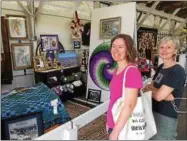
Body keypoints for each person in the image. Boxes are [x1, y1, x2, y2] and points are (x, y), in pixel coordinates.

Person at [143, 36, 186, 140]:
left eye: (169, 47)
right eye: (162, 47)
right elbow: (149, 87)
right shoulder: (161, 67)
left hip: (165, 117)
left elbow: (158, 96)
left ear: (175, 50)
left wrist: (153, 91)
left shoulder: (177, 71)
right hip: (151, 111)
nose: (164, 50)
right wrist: (160, 93)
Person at [106, 34, 143, 140]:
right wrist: (109, 122)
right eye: (113, 46)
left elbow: (130, 104)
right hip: (114, 122)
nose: (116, 49)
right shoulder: (117, 70)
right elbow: (114, 98)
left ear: (128, 50)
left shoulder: (131, 72)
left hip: (123, 127)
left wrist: (115, 132)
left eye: (121, 47)